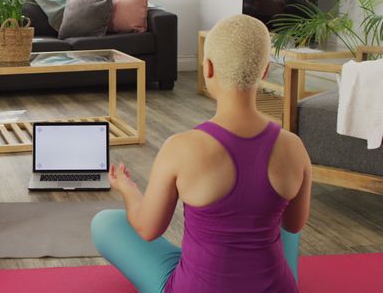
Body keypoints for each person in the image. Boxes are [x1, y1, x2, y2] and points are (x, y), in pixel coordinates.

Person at [91, 15, 311, 293]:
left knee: (105, 223)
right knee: (280, 209)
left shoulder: (181, 147)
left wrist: (127, 188)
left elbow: (148, 229)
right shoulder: (294, 146)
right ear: (265, 71)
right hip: (276, 287)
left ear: (208, 68)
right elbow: (293, 225)